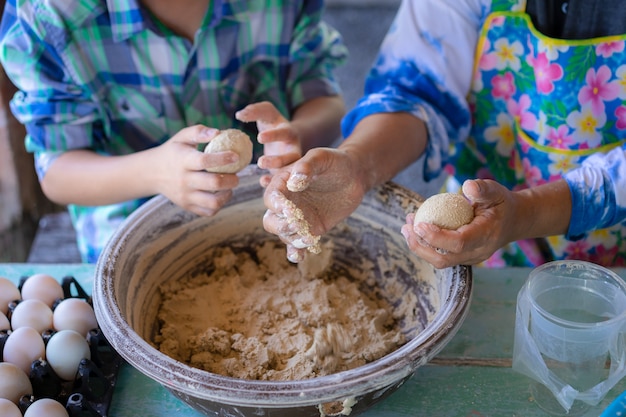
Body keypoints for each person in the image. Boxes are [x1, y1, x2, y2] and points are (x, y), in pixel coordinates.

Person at [261, 0, 626, 268]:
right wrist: (358, 165)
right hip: (482, 223)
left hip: (614, 252)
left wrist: (525, 213)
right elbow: (417, 88)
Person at [0, 0, 347, 263]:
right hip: (132, 237)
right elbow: (58, 173)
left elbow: (326, 100)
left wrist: (296, 134)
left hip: (264, 212)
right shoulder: (47, 16)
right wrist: (155, 172)